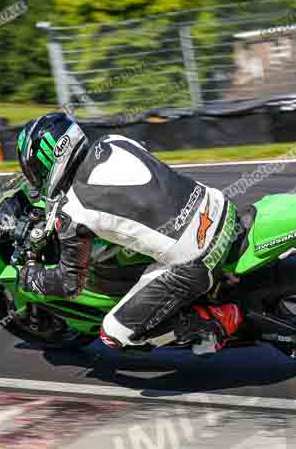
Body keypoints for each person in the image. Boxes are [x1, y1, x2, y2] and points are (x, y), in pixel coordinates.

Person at [15, 112, 243, 355]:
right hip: (219, 206)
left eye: (34, 170)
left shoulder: (72, 210)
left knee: (114, 334)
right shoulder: (114, 141)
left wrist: (31, 277)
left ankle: (216, 320)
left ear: (48, 160)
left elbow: (71, 284)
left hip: (199, 257)